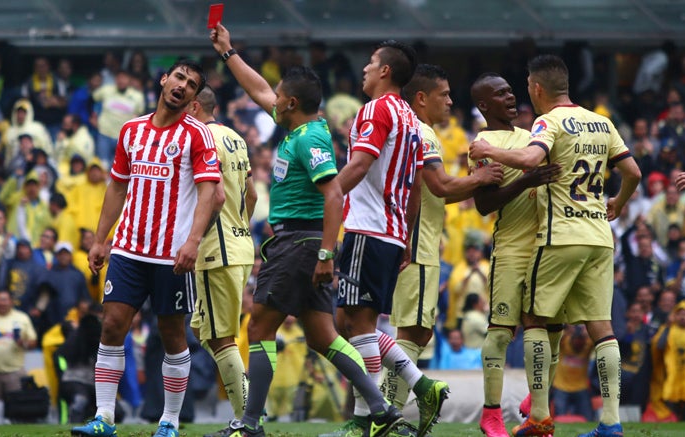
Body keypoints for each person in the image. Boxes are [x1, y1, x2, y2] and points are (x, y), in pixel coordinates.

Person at [211, 23, 411, 437]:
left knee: (260, 328)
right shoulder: (296, 126)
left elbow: (334, 194)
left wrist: (324, 254)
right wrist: (229, 53)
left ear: (293, 102)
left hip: (298, 244)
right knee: (323, 337)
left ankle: (249, 424)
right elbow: (259, 90)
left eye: (280, 94)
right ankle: (380, 407)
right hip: (300, 244)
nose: (273, 97)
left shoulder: (311, 140)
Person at [469, 54, 642, 437]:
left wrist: (492, 154)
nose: (515, 96)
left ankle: (539, 417)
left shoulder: (545, 124)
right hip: (598, 237)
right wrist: (619, 202)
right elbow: (633, 171)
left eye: (518, 88)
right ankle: (610, 423)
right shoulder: (602, 121)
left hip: (558, 237)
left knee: (537, 322)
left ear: (536, 88)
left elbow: (531, 158)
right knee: (602, 329)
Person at [70, 58, 223, 437]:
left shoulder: (197, 135)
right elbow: (118, 186)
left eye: (190, 84)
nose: (183, 85)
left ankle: (169, 421)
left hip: (172, 256)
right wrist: (101, 239)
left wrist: (192, 241)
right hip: (128, 250)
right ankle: (104, 417)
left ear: (192, 98)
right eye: (179, 77)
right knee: (112, 325)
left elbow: (211, 194)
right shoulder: (131, 130)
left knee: (172, 335)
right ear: (164, 79)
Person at [332, 40, 449, 437]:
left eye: (370, 63)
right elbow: (415, 187)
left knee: (359, 326)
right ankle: (423, 385)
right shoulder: (411, 120)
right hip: (391, 231)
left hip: (368, 227)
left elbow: (361, 164)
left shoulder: (377, 109)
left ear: (385, 72)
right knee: (349, 320)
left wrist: (327, 200)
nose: (365, 69)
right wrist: (406, 240)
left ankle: (369, 418)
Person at [379, 64, 503, 414]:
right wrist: (482, 178)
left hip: (414, 239)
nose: (450, 101)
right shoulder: (424, 133)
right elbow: (441, 186)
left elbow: (440, 194)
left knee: (417, 333)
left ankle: (386, 408)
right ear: (421, 97)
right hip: (416, 243)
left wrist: (472, 180)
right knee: (411, 332)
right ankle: (383, 409)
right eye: (443, 95)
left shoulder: (409, 129)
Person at [466, 72, 562, 437]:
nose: (510, 97)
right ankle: (491, 413)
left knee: (553, 329)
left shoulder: (534, 136)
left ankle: (535, 402)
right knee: (502, 331)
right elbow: (483, 204)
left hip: (547, 246)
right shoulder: (482, 143)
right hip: (510, 248)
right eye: (500, 93)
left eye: (510, 90)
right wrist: (525, 180)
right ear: (484, 105)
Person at [185, 86, 256, 436]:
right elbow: (252, 193)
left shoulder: (200, 138)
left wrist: (199, 236)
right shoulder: (236, 138)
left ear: (196, 105)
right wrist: (240, 226)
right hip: (241, 246)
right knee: (203, 329)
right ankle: (248, 412)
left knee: (222, 338)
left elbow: (215, 194)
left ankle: (248, 420)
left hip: (218, 250)